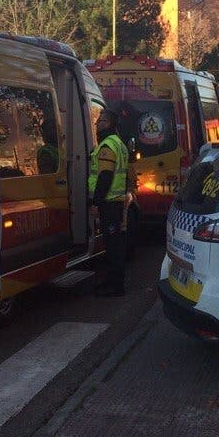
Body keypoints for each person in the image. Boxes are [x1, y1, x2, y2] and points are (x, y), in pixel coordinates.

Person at [88, 108, 129, 296]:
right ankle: (112, 281)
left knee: (113, 246)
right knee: (114, 245)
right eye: (98, 121)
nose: (97, 124)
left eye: (102, 121)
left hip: (109, 202)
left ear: (110, 124)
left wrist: (96, 202)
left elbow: (105, 175)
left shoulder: (107, 146)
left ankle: (115, 287)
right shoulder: (118, 143)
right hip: (116, 202)